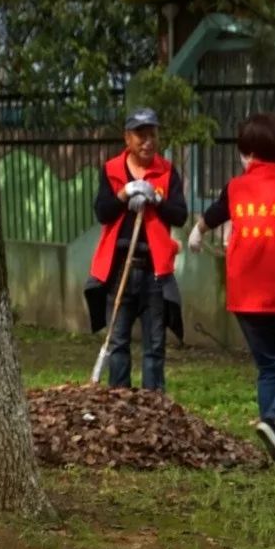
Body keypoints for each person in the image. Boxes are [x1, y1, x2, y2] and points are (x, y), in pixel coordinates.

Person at [189, 113, 275, 466]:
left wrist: (196, 232)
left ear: (248, 153)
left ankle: (273, 439)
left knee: (268, 367)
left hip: (245, 297)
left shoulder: (236, 188)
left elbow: (213, 214)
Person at [85, 108, 187, 392]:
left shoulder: (167, 172)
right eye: (140, 135)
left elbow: (180, 215)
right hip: (119, 268)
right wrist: (123, 195)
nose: (147, 141)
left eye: (152, 134)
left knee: (155, 345)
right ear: (127, 138)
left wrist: (156, 199)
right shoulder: (111, 170)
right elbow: (103, 213)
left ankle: (154, 407)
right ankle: (120, 405)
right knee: (118, 343)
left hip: (154, 269)